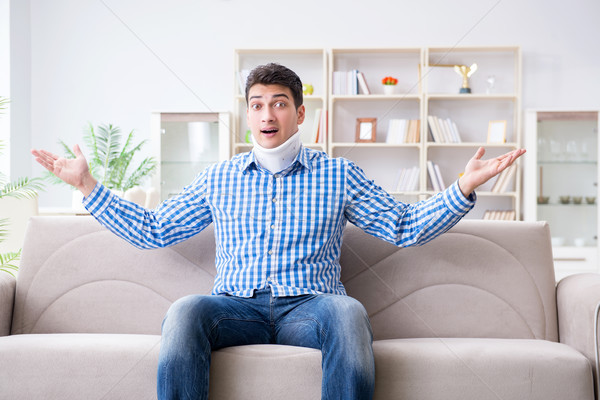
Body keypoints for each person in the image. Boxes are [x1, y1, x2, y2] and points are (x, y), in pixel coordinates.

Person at [32, 63, 525, 400]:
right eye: (258, 104)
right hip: (234, 308)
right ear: (249, 114)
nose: (268, 114)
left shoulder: (337, 174)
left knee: (348, 312)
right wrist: (88, 185)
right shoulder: (220, 177)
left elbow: (402, 226)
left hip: (311, 307)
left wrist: (462, 186)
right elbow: (155, 230)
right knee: (185, 310)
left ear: (300, 113)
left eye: (280, 103)